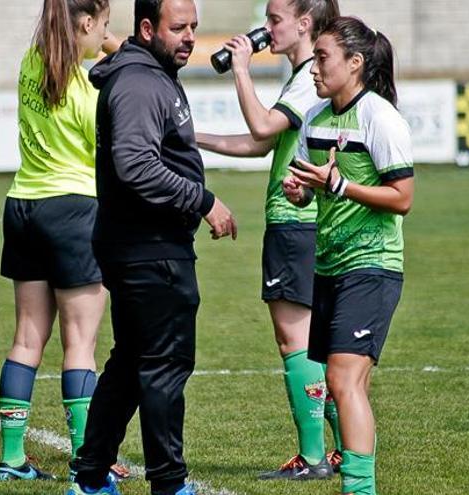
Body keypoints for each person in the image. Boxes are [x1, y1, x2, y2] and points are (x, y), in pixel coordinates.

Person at [68, 1, 237, 494]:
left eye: (194, 28)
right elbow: (136, 165)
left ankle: (91, 478)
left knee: (130, 363)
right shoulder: (140, 82)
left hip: (141, 243)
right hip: (149, 248)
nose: (189, 37)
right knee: (165, 365)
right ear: (147, 28)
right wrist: (203, 200)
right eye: (178, 27)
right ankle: (169, 484)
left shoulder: (151, 71)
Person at [195, 0, 341, 480]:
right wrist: (191, 136)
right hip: (308, 221)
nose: (265, 29)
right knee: (314, 341)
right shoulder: (304, 76)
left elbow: (260, 126)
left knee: (295, 341)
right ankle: (344, 449)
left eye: (274, 19)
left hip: (294, 220)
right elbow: (260, 143)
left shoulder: (304, 80)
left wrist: (241, 68)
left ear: (304, 23)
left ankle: (314, 456)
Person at [283, 16, 413, 495]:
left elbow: (403, 197)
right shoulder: (316, 121)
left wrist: (339, 183)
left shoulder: (379, 117)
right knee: (346, 383)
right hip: (330, 265)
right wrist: (300, 192)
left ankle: (360, 490)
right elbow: (313, 192)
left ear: (355, 63)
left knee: (343, 381)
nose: (314, 68)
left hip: (373, 264)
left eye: (323, 58)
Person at [0, 0, 122, 482]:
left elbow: (72, 38)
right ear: (87, 23)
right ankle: (87, 463)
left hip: (23, 206)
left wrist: (104, 38)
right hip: (73, 210)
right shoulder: (90, 92)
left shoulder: (33, 61)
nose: (107, 35)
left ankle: (12, 459)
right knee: (80, 345)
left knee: (27, 338)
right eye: (104, 25)